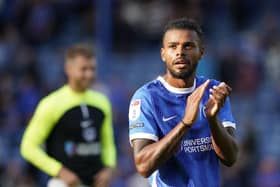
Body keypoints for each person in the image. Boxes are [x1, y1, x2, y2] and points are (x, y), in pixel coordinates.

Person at [128, 18, 238, 187]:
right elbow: (143, 166)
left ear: (201, 52)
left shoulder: (214, 91)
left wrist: (212, 119)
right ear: (163, 54)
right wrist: (185, 123)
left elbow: (230, 158)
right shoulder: (146, 97)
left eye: (188, 46)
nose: (180, 52)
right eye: (173, 46)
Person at [20, 44, 116, 187]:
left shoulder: (102, 102)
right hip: (63, 184)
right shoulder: (51, 103)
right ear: (68, 69)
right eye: (83, 69)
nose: (89, 74)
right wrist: (60, 171)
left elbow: (107, 144)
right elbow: (28, 147)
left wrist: (109, 168)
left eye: (92, 69)